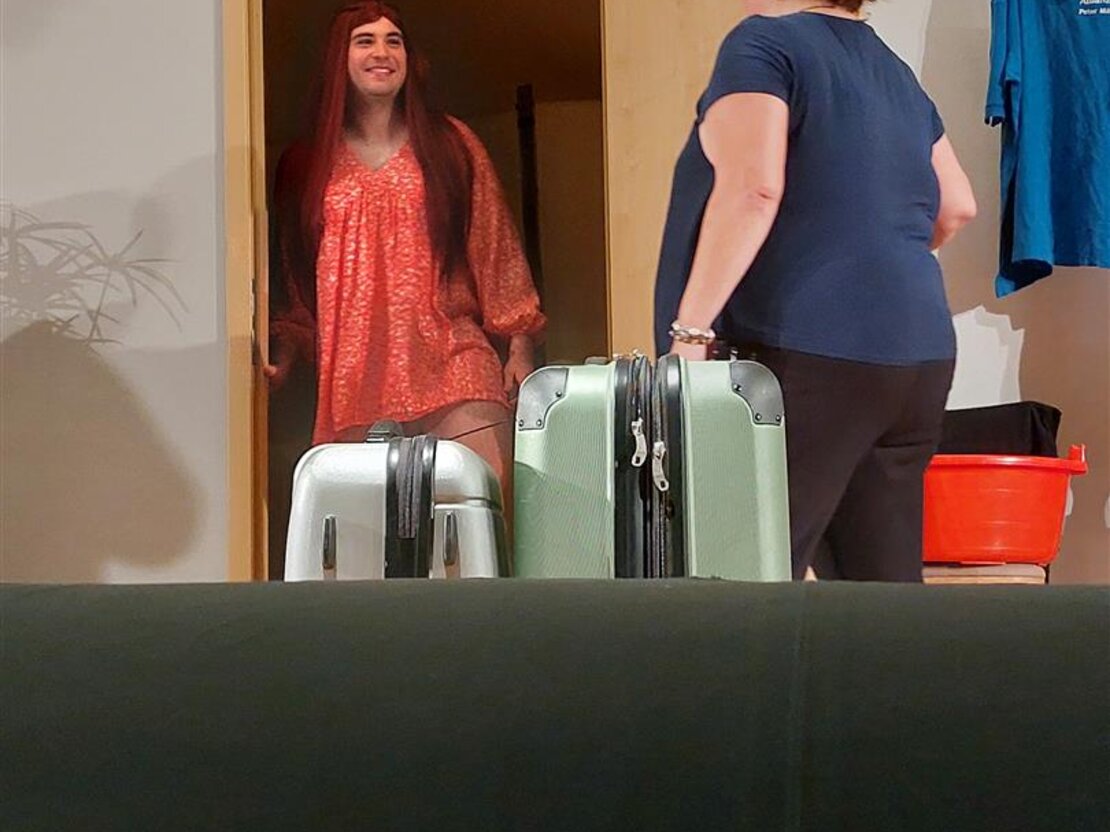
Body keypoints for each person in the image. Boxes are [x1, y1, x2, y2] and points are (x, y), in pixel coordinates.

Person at [654, 0, 977, 582]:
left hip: (807, 351)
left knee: (746, 573)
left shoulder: (764, 45)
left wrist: (690, 334)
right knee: (880, 586)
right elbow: (956, 206)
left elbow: (753, 189)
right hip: (920, 354)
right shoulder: (895, 72)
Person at [266, 1, 545, 500]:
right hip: (355, 378)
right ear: (339, 59)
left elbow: (494, 243)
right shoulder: (306, 163)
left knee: (477, 511)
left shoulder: (450, 144)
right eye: (365, 41)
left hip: (453, 360)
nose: (382, 52)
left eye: (393, 41)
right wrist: (284, 351)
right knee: (366, 531)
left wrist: (519, 344)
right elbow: (296, 275)